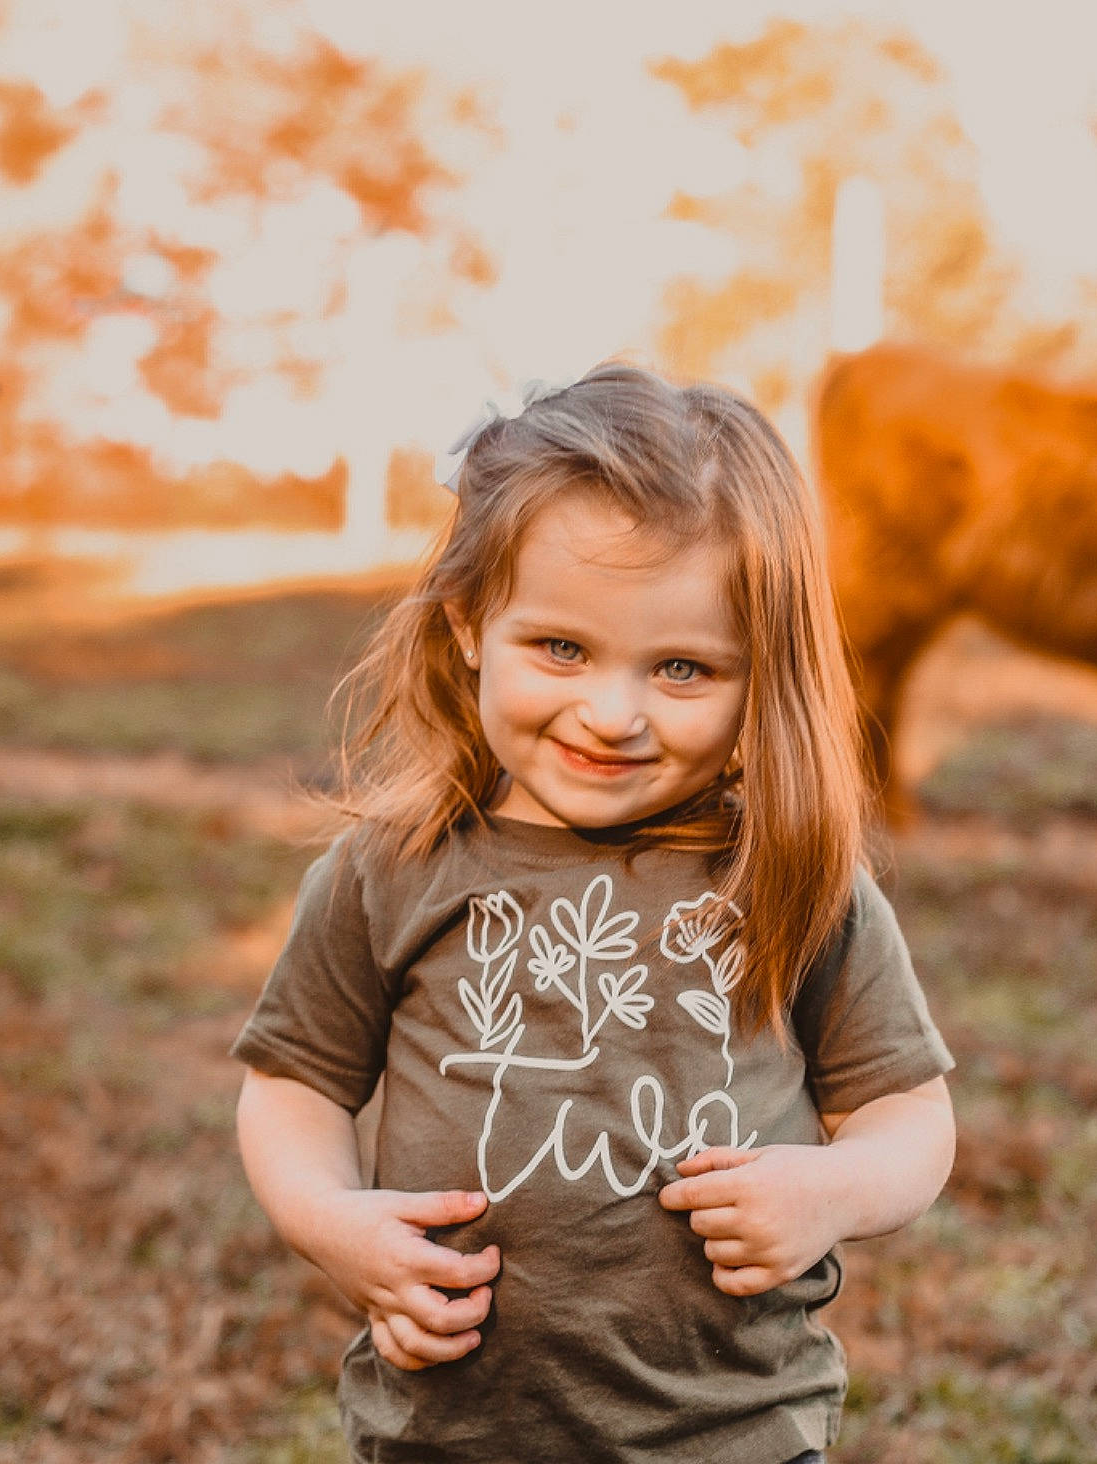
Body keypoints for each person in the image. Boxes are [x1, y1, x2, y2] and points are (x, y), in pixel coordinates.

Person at [230, 362, 956, 1463]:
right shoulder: (391, 870)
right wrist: (332, 1226)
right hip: (450, 1431)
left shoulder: (787, 874)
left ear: (760, 671)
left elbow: (910, 1119)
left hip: (731, 1433)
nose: (610, 714)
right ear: (471, 621)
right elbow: (293, 1087)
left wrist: (831, 1191)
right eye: (560, 649)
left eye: (681, 668)